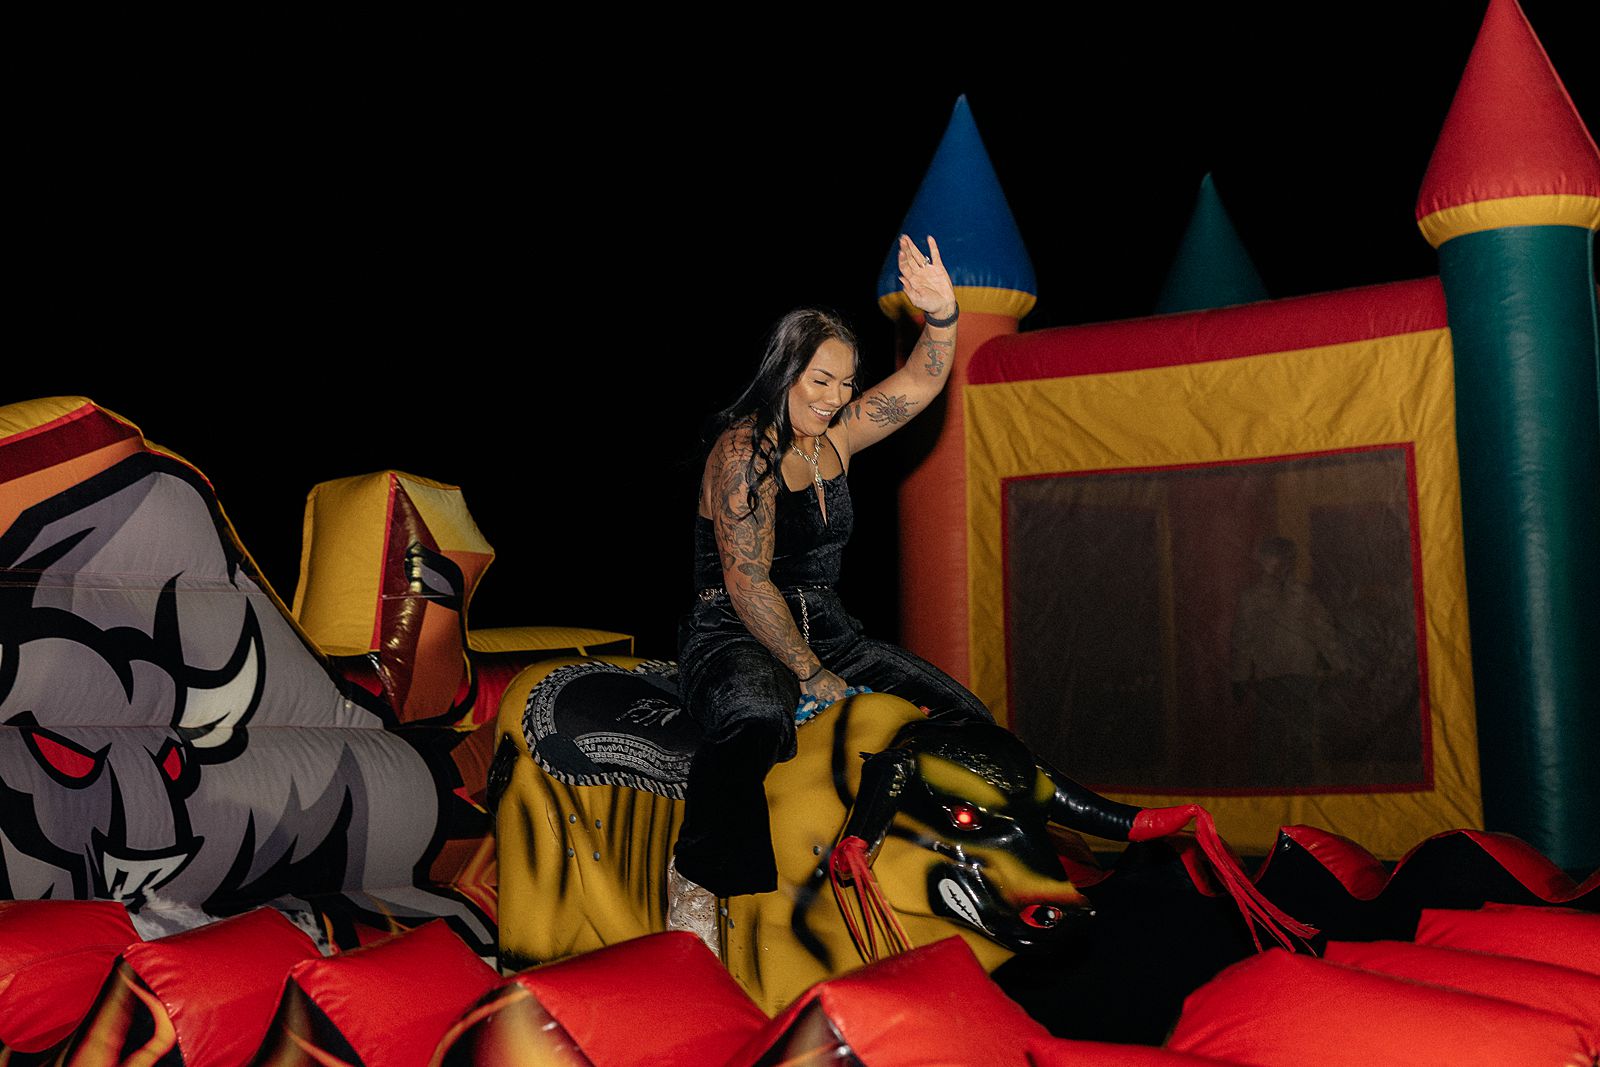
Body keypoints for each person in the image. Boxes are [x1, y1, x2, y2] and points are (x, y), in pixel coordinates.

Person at [672, 233, 993, 906]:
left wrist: (941, 316)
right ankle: (704, 883)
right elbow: (747, 581)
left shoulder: (837, 435)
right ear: (784, 370)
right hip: (735, 626)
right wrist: (812, 675)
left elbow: (922, 382)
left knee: (962, 715)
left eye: (845, 382)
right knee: (758, 721)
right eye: (820, 380)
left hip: (830, 623)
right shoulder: (743, 453)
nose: (833, 397)